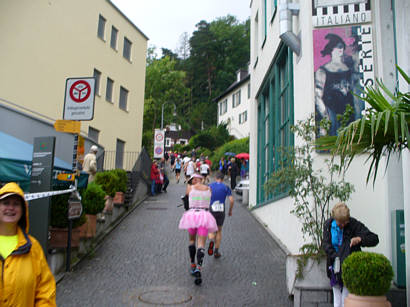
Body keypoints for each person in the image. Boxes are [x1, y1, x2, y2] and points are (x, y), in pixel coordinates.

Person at [0, 182, 56, 306]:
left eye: (16, 204)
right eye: (5, 203)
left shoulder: (33, 247)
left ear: (23, 210)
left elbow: (45, 291)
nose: (10, 208)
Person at [323, 202, 379, 307]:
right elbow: (326, 244)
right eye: (340, 223)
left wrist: (360, 239)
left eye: (345, 222)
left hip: (349, 266)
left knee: (346, 298)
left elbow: (374, 238)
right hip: (334, 265)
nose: (343, 225)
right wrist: (335, 256)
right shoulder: (328, 225)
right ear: (335, 219)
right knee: (336, 297)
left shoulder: (353, 224)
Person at [178, 174, 217, 286]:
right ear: (201, 179)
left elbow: (186, 198)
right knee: (201, 244)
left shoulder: (190, 188)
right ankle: (199, 268)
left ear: (194, 180)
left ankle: (192, 264)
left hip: (192, 215)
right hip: (204, 216)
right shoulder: (209, 189)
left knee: (191, 241)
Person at [315, 33, 356, 136]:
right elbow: (317, 96)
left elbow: (353, 92)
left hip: (348, 113)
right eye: (338, 47)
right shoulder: (323, 71)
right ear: (331, 50)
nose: (341, 50)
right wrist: (325, 115)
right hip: (332, 113)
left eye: (342, 47)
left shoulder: (348, 70)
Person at [207, 172, 234, 258]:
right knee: (219, 231)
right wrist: (230, 211)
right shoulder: (226, 187)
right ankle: (216, 251)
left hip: (212, 209)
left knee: (211, 230)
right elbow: (231, 200)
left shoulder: (210, 186)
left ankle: (211, 240)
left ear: (215, 178)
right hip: (221, 210)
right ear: (222, 179)